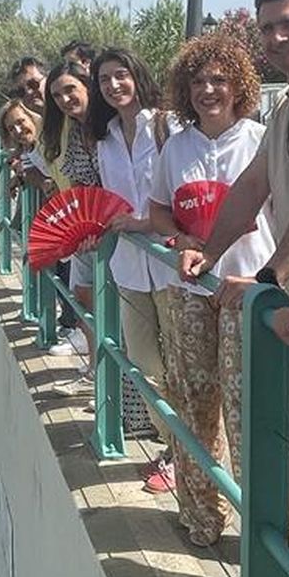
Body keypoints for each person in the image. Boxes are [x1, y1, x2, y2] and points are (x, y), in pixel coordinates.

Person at [176, 0, 289, 577]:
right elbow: (253, 186)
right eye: (267, 28)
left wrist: (266, 275)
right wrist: (208, 248)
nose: (277, 38)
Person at [148, 34, 289, 547]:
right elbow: (158, 209)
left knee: (247, 409)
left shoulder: (261, 139)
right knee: (193, 403)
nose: (208, 89)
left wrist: (272, 276)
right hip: (189, 290)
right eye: (197, 82)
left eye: (219, 80)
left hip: (247, 292)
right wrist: (184, 238)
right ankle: (201, 514)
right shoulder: (176, 147)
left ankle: (276, 521)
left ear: (239, 86)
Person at [87, 47, 180, 492]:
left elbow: (186, 194)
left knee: (183, 364)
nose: (113, 85)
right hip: (127, 266)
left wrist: (147, 224)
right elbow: (109, 200)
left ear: (136, 76)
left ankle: (191, 455)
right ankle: (175, 447)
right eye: (104, 80)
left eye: (120, 75)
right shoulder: (102, 139)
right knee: (144, 365)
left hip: (171, 265)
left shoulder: (167, 126)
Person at [42, 60, 101, 382]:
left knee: (117, 319)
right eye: (57, 95)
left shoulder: (108, 127)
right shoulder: (75, 131)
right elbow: (79, 183)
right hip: (86, 231)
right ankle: (96, 372)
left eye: (70, 90)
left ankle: (125, 408)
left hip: (115, 234)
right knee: (85, 301)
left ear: (87, 86)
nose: (64, 99)